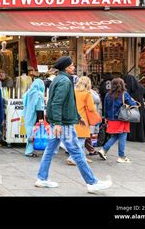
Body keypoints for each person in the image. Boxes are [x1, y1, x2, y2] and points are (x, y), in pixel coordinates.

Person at [35, 56, 112, 194]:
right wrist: (59, 123)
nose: (74, 67)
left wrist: (77, 117)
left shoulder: (59, 79)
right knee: (77, 152)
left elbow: (66, 103)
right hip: (64, 124)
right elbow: (57, 103)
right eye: (71, 65)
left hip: (60, 122)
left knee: (50, 151)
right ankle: (92, 182)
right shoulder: (65, 81)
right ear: (66, 67)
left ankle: (42, 178)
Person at [98, 78, 138, 163]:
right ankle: (121, 156)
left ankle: (104, 150)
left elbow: (105, 107)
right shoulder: (124, 94)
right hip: (122, 118)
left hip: (111, 119)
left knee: (116, 136)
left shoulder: (107, 94)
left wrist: (105, 118)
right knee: (123, 136)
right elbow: (133, 104)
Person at [67, 76, 98, 165]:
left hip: (73, 117)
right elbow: (91, 108)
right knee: (81, 139)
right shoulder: (87, 93)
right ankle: (72, 158)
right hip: (83, 119)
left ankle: (82, 157)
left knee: (78, 138)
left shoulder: (73, 92)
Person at [124, 74, 145, 142]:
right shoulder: (141, 87)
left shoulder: (127, 88)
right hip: (140, 107)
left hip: (131, 107)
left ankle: (131, 136)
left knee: (132, 121)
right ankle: (142, 136)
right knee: (140, 121)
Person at [23, 79, 45, 158]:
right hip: (35, 116)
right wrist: (41, 119)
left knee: (30, 134)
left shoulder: (28, 93)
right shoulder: (39, 94)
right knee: (34, 134)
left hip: (27, 116)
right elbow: (39, 108)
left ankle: (29, 150)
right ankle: (29, 151)